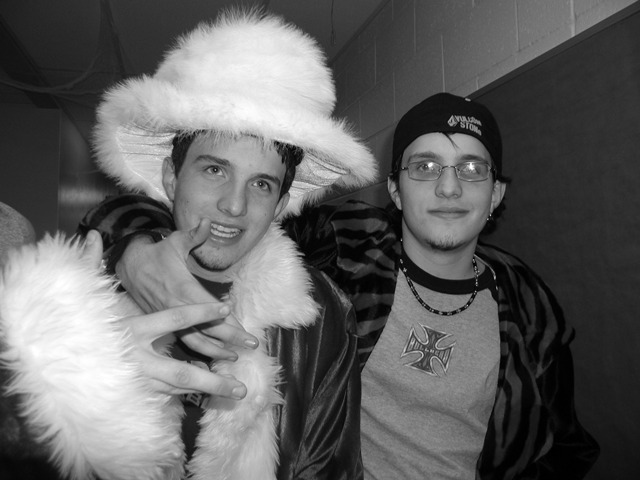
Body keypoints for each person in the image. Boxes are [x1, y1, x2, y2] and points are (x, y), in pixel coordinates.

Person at [87, 92, 600, 479]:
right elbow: (226, 215)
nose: (449, 187)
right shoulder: (344, 245)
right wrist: (134, 247)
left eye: (472, 168)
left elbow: (564, 445)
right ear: (394, 189)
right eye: (425, 167)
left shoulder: (529, 303)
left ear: (496, 194)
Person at [2, 10, 378, 480]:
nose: (234, 206)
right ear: (171, 176)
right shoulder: (83, 290)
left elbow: (329, 468)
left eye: (262, 184)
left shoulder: (324, 314)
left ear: (281, 204)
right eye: (214, 170)